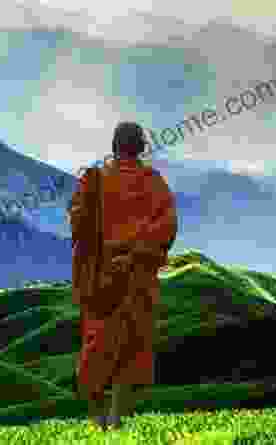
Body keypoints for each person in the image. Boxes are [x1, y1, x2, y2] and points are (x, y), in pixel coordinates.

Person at [66, 121, 178, 431]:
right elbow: (167, 227)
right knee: (129, 350)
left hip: (101, 279)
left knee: (97, 348)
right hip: (137, 278)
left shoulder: (95, 178)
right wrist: (137, 251)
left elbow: (78, 224)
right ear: (141, 147)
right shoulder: (154, 182)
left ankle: (98, 421)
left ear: (114, 146)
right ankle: (115, 421)